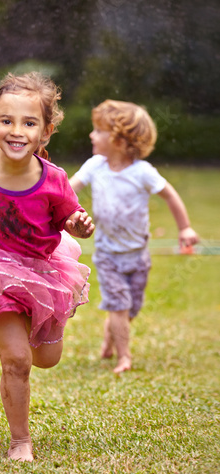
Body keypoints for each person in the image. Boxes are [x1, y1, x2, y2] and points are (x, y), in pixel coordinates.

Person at [0, 72, 94, 462]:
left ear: (46, 132)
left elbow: (71, 218)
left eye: (29, 123)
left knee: (46, 357)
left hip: (41, 272)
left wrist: (79, 225)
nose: (16, 131)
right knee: (20, 359)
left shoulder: (54, 180)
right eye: (6, 121)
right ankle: (20, 441)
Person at [69, 99, 199, 374]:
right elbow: (68, 190)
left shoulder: (142, 172)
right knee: (118, 305)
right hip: (107, 254)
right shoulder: (95, 166)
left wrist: (185, 227)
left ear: (117, 138)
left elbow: (170, 195)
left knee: (130, 308)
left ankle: (109, 340)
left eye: (98, 131)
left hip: (138, 255)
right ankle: (123, 357)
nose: (91, 135)